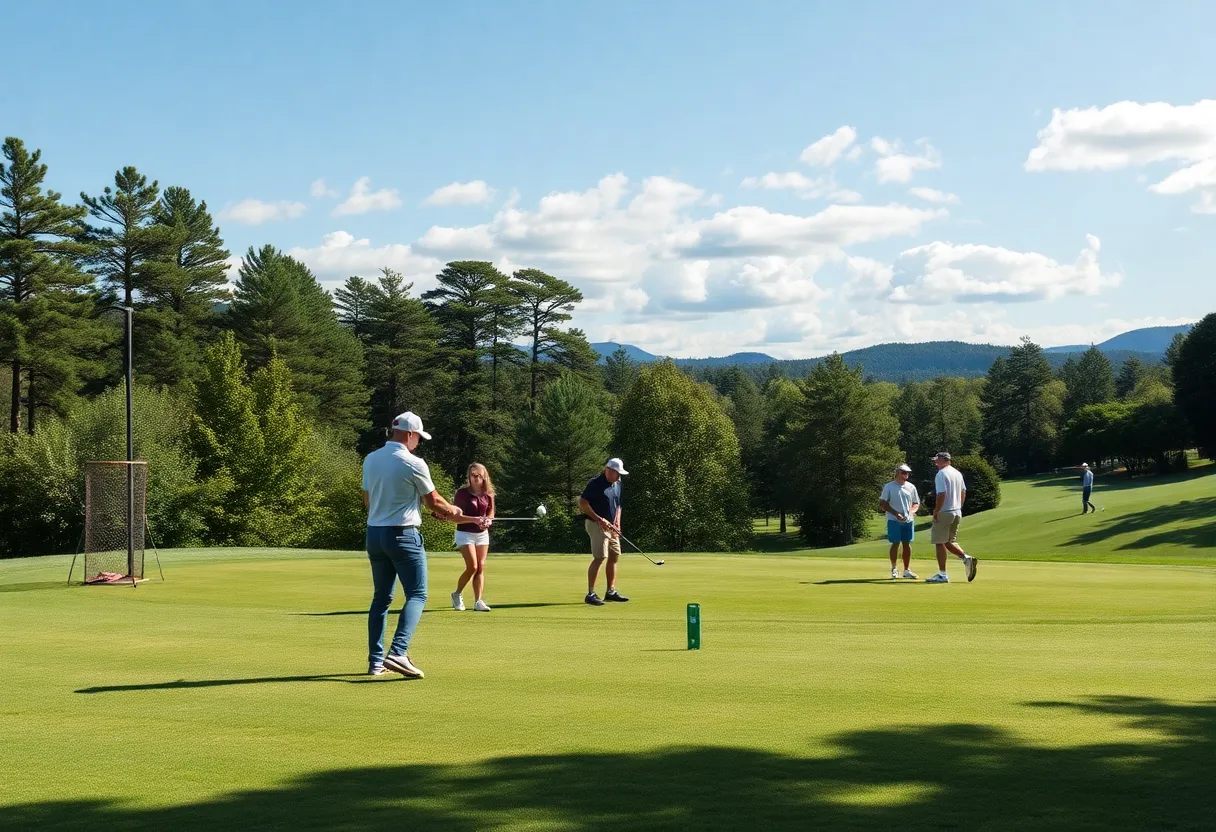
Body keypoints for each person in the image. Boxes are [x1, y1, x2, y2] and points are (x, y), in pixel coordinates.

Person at [361, 411, 489, 678]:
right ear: (409, 434)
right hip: (403, 536)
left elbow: (368, 501)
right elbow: (435, 502)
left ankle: (376, 662)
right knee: (417, 594)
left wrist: (414, 507)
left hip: (374, 535)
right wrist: (452, 509)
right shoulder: (413, 462)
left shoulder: (371, 459)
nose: (418, 442)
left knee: (381, 598)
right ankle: (398, 652)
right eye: (418, 437)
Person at [578, 457, 630, 606]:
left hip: (612, 527)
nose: (618, 476)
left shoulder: (617, 484)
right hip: (595, 524)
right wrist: (599, 519)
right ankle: (591, 593)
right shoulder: (595, 484)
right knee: (600, 557)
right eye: (617, 473)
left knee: (615, 555)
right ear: (608, 470)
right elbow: (582, 503)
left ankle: (610, 591)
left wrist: (617, 523)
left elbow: (618, 505)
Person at [925, 452, 978, 584]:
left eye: (937, 460)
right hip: (956, 511)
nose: (935, 463)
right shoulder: (957, 473)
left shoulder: (941, 474)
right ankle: (966, 559)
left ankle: (943, 575)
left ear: (945, 460)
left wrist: (937, 510)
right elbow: (963, 492)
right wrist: (958, 506)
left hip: (945, 511)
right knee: (949, 541)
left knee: (939, 542)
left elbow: (941, 494)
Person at [450, 462, 496, 612]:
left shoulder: (488, 494)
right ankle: (457, 594)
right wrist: (474, 519)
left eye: (479, 476)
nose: (476, 479)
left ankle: (478, 601)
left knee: (480, 567)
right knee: (473, 566)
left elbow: (491, 513)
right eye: (473, 475)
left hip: (482, 534)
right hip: (464, 533)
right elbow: (456, 518)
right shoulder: (462, 494)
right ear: (469, 477)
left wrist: (488, 521)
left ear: (484, 477)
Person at [879, 463, 920, 579]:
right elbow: (883, 504)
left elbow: (916, 503)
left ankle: (906, 570)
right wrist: (896, 514)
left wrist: (911, 512)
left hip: (908, 520)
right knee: (895, 543)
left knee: (907, 544)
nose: (906, 475)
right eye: (903, 472)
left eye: (907, 473)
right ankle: (894, 568)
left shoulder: (911, 487)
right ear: (897, 473)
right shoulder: (889, 486)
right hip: (893, 520)